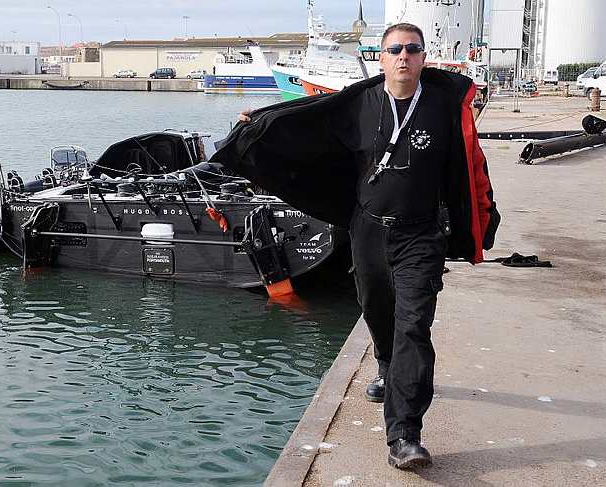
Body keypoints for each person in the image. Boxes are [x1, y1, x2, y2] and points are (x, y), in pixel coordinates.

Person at [214, 23, 499, 470]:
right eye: (395, 49)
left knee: (414, 326)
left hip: (420, 234)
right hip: (367, 230)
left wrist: (477, 219)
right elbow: (309, 127)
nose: (404, 56)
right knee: (377, 310)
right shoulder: (357, 105)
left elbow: (468, 166)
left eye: (413, 49)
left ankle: (404, 434)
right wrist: (263, 125)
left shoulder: (443, 107)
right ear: (380, 58)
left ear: (423, 58)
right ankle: (385, 364)